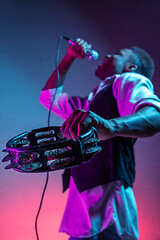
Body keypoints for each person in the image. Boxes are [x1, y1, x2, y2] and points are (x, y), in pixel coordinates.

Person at [40, 38, 160, 240]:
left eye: (118, 53)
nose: (108, 55)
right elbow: (48, 98)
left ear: (130, 67)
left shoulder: (128, 80)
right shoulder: (90, 101)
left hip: (107, 213)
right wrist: (69, 57)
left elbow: (155, 116)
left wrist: (110, 126)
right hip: (85, 216)